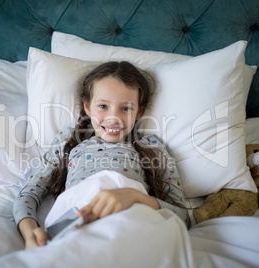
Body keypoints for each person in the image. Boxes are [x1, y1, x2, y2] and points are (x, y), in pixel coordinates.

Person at [13, 61, 191, 250]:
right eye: (103, 106)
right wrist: (30, 232)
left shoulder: (151, 146)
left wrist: (134, 196)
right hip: (78, 217)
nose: (113, 118)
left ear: (139, 111)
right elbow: (29, 193)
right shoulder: (68, 140)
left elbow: (182, 216)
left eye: (126, 108)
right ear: (88, 107)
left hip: (132, 218)